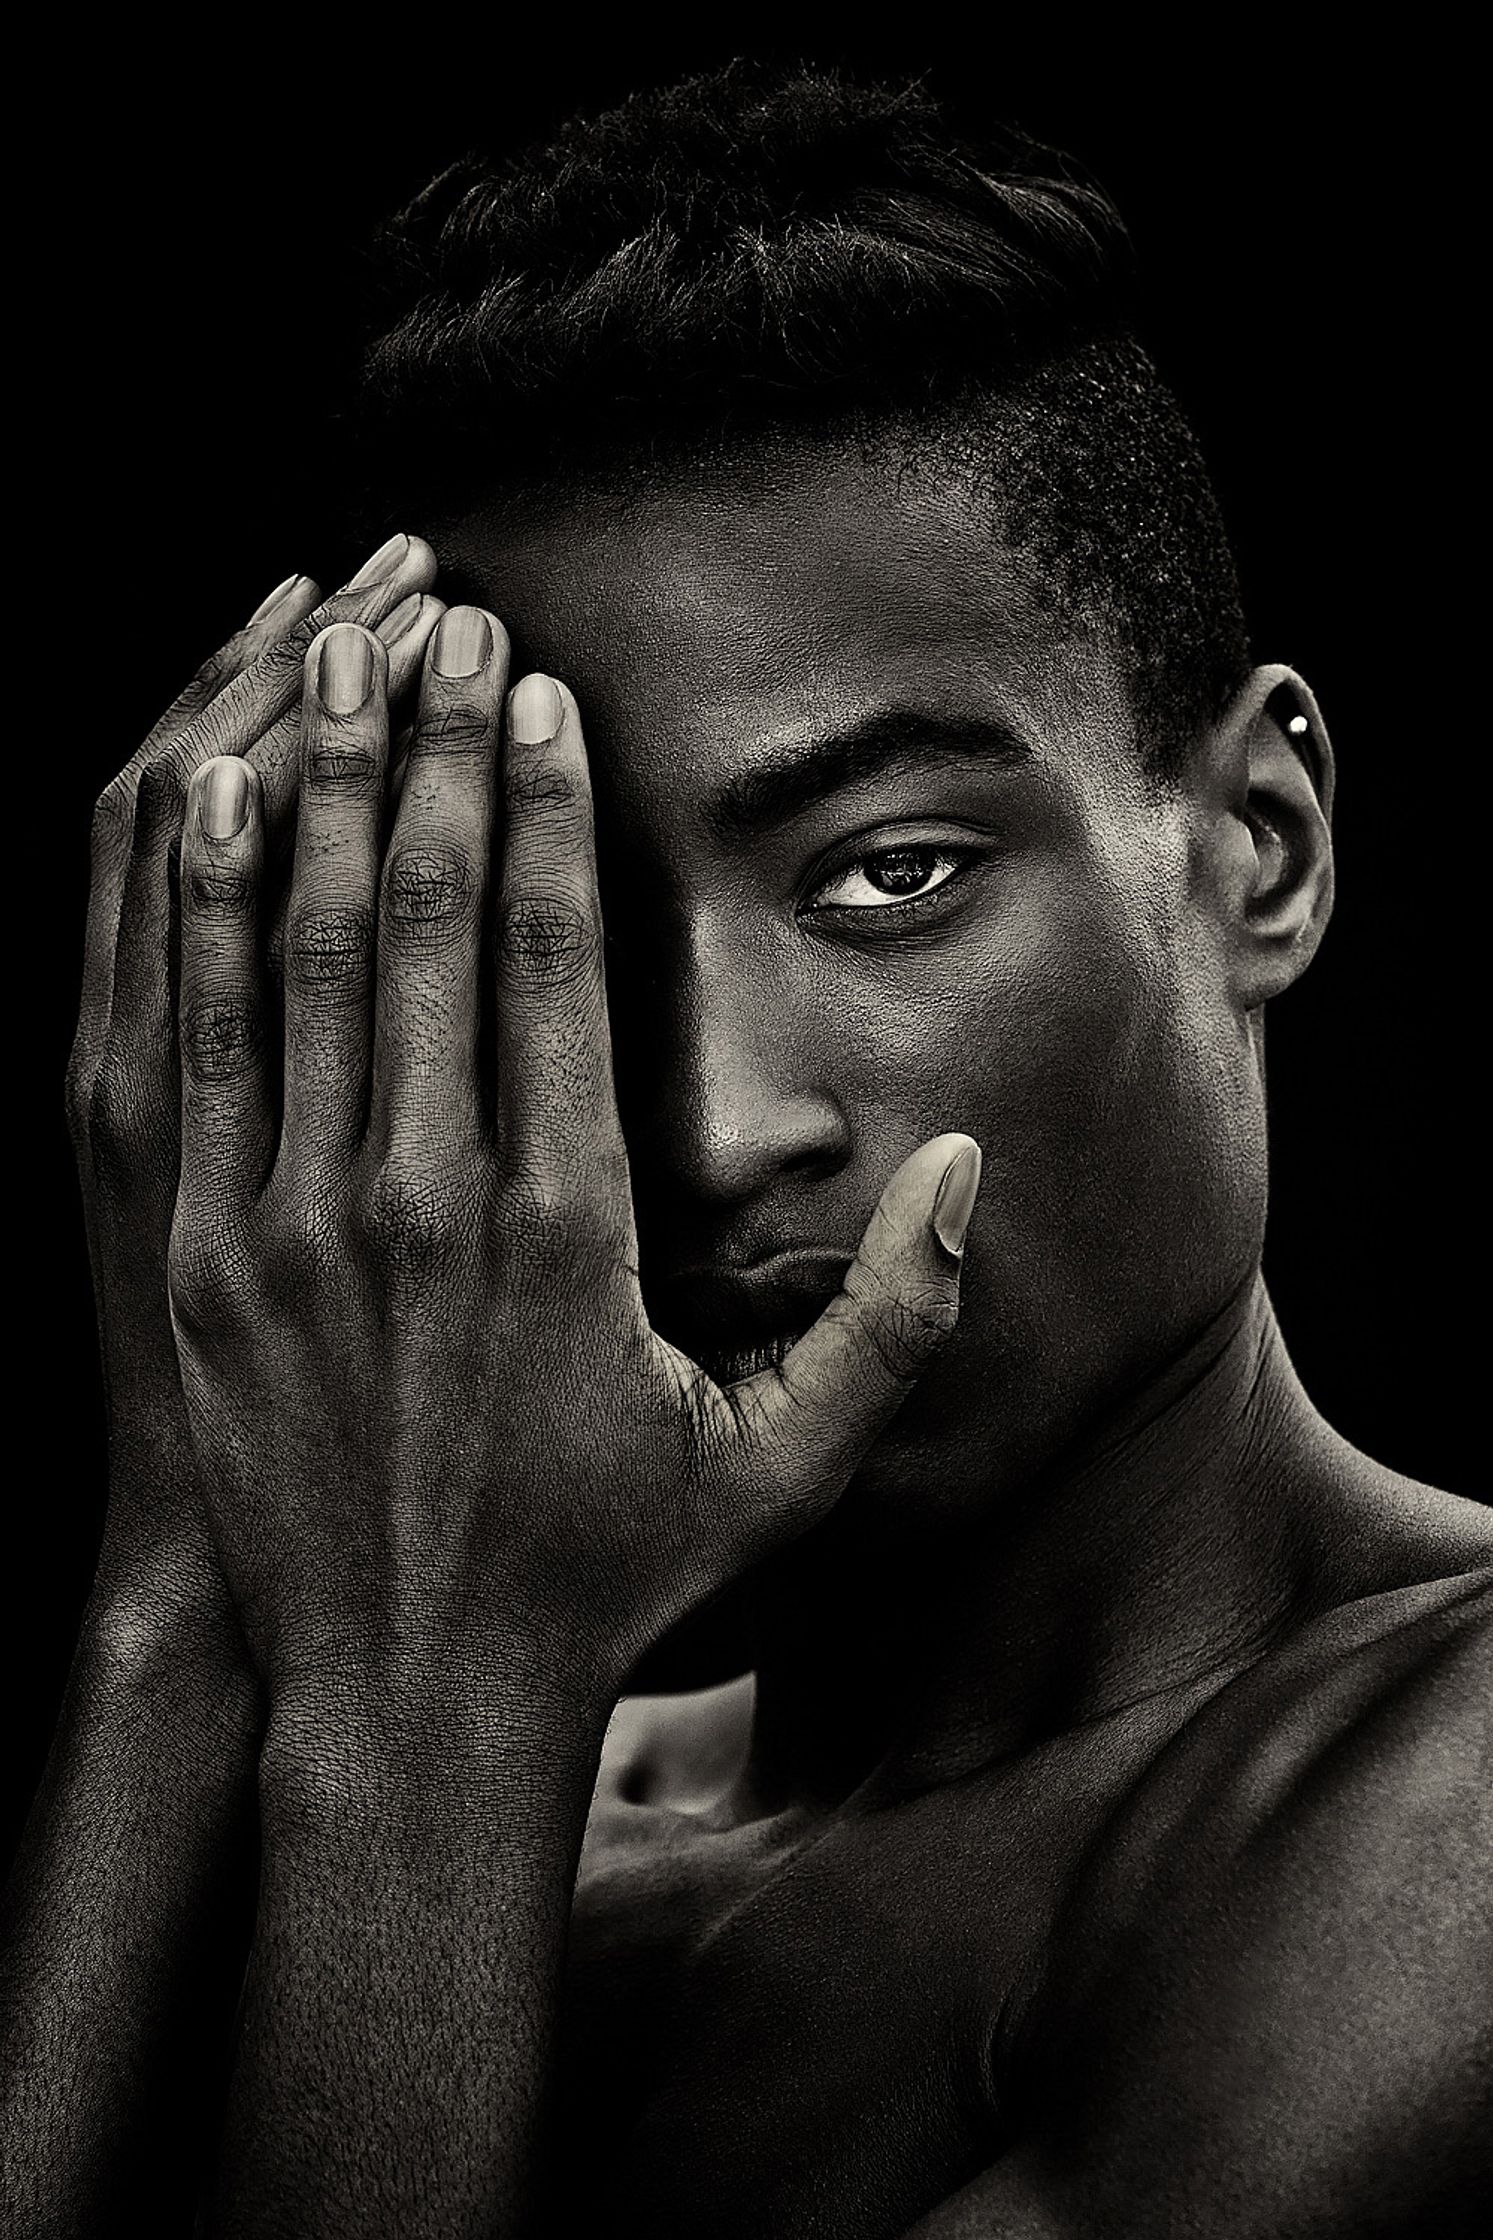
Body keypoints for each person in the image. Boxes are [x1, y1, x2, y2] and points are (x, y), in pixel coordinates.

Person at [4, 60, 1489, 2240]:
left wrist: (430, 1708)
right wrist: (188, 1561)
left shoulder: (1452, 1799)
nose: (707, 1128)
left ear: (1259, 849)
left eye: (888, 874)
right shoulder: (482, 1785)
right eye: (566, 931)